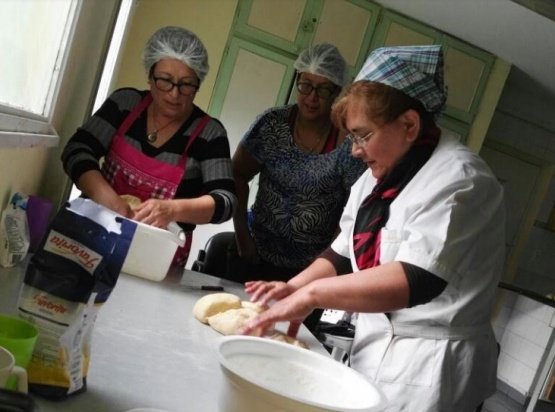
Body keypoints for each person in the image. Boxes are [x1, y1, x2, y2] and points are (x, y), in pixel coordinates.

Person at [240, 45, 505, 411]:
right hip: (378, 350)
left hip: (431, 367)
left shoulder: (460, 179)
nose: (354, 151)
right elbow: (343, 252)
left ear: (409, 124)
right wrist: (294, 286)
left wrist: (313, 295)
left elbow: (416, 279)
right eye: (351, 138)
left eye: (362, 135)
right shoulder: (376, 176)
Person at [61, 26, 237, 267]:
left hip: (156, 260)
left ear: (199, 83)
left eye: (186, 84)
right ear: (150, 74)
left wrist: (172, 210)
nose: (175, 94)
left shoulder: (210, 134)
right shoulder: (125, 103)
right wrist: (111, 201)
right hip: (92, 238)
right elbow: (77, 149)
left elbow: (225, 202)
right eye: (165, 80)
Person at [226, 42, 366, 286]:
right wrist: (242, 238)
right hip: (255, 254)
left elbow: (352, 211)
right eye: (305, 85)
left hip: (309, 271)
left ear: (336, 93)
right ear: (296, 82)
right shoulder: (272, 125)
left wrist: (325, 265)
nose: (312, 97)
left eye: (323, 90)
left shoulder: (348, 144)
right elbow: (237, 175)